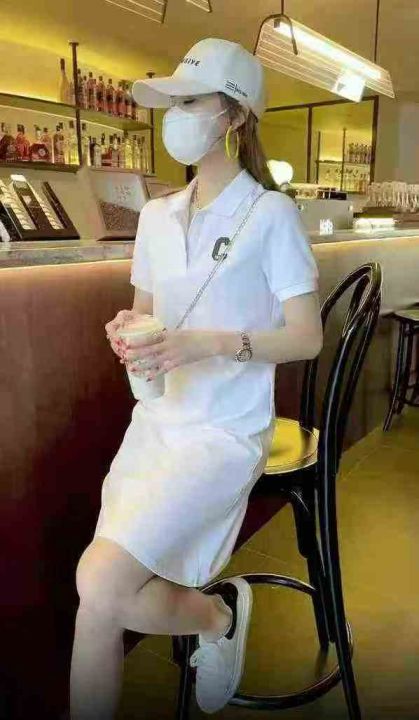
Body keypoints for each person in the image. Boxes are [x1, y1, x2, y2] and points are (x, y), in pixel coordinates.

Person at [69, 37, 323, 719]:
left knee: (100, 584)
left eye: (191, 101)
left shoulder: (270, 215)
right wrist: (128, 330)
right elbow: (147, 313)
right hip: (157, 422)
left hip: (225, 428)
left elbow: (307, 337)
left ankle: (216, 617)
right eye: (172, 103)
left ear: (233, 116)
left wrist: (207, 343)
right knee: (98, 588)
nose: (175, 116)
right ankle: (219, 616)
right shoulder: (156, 216)